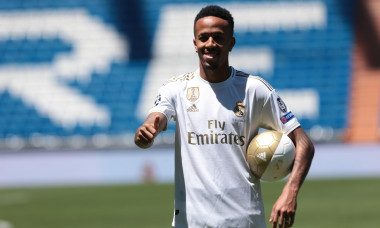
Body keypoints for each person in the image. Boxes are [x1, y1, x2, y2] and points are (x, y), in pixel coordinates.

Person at [135, 5, 314, 228]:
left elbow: (304, 142)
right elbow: (157, 117)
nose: (210, 43)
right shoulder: (176, 89)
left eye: (218, 38)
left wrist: (290, 191)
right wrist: (147, 131)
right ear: (195, 43)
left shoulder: (254, 89)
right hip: (190, 223)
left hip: (244, 221)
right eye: (204, 38)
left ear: (231, 43)